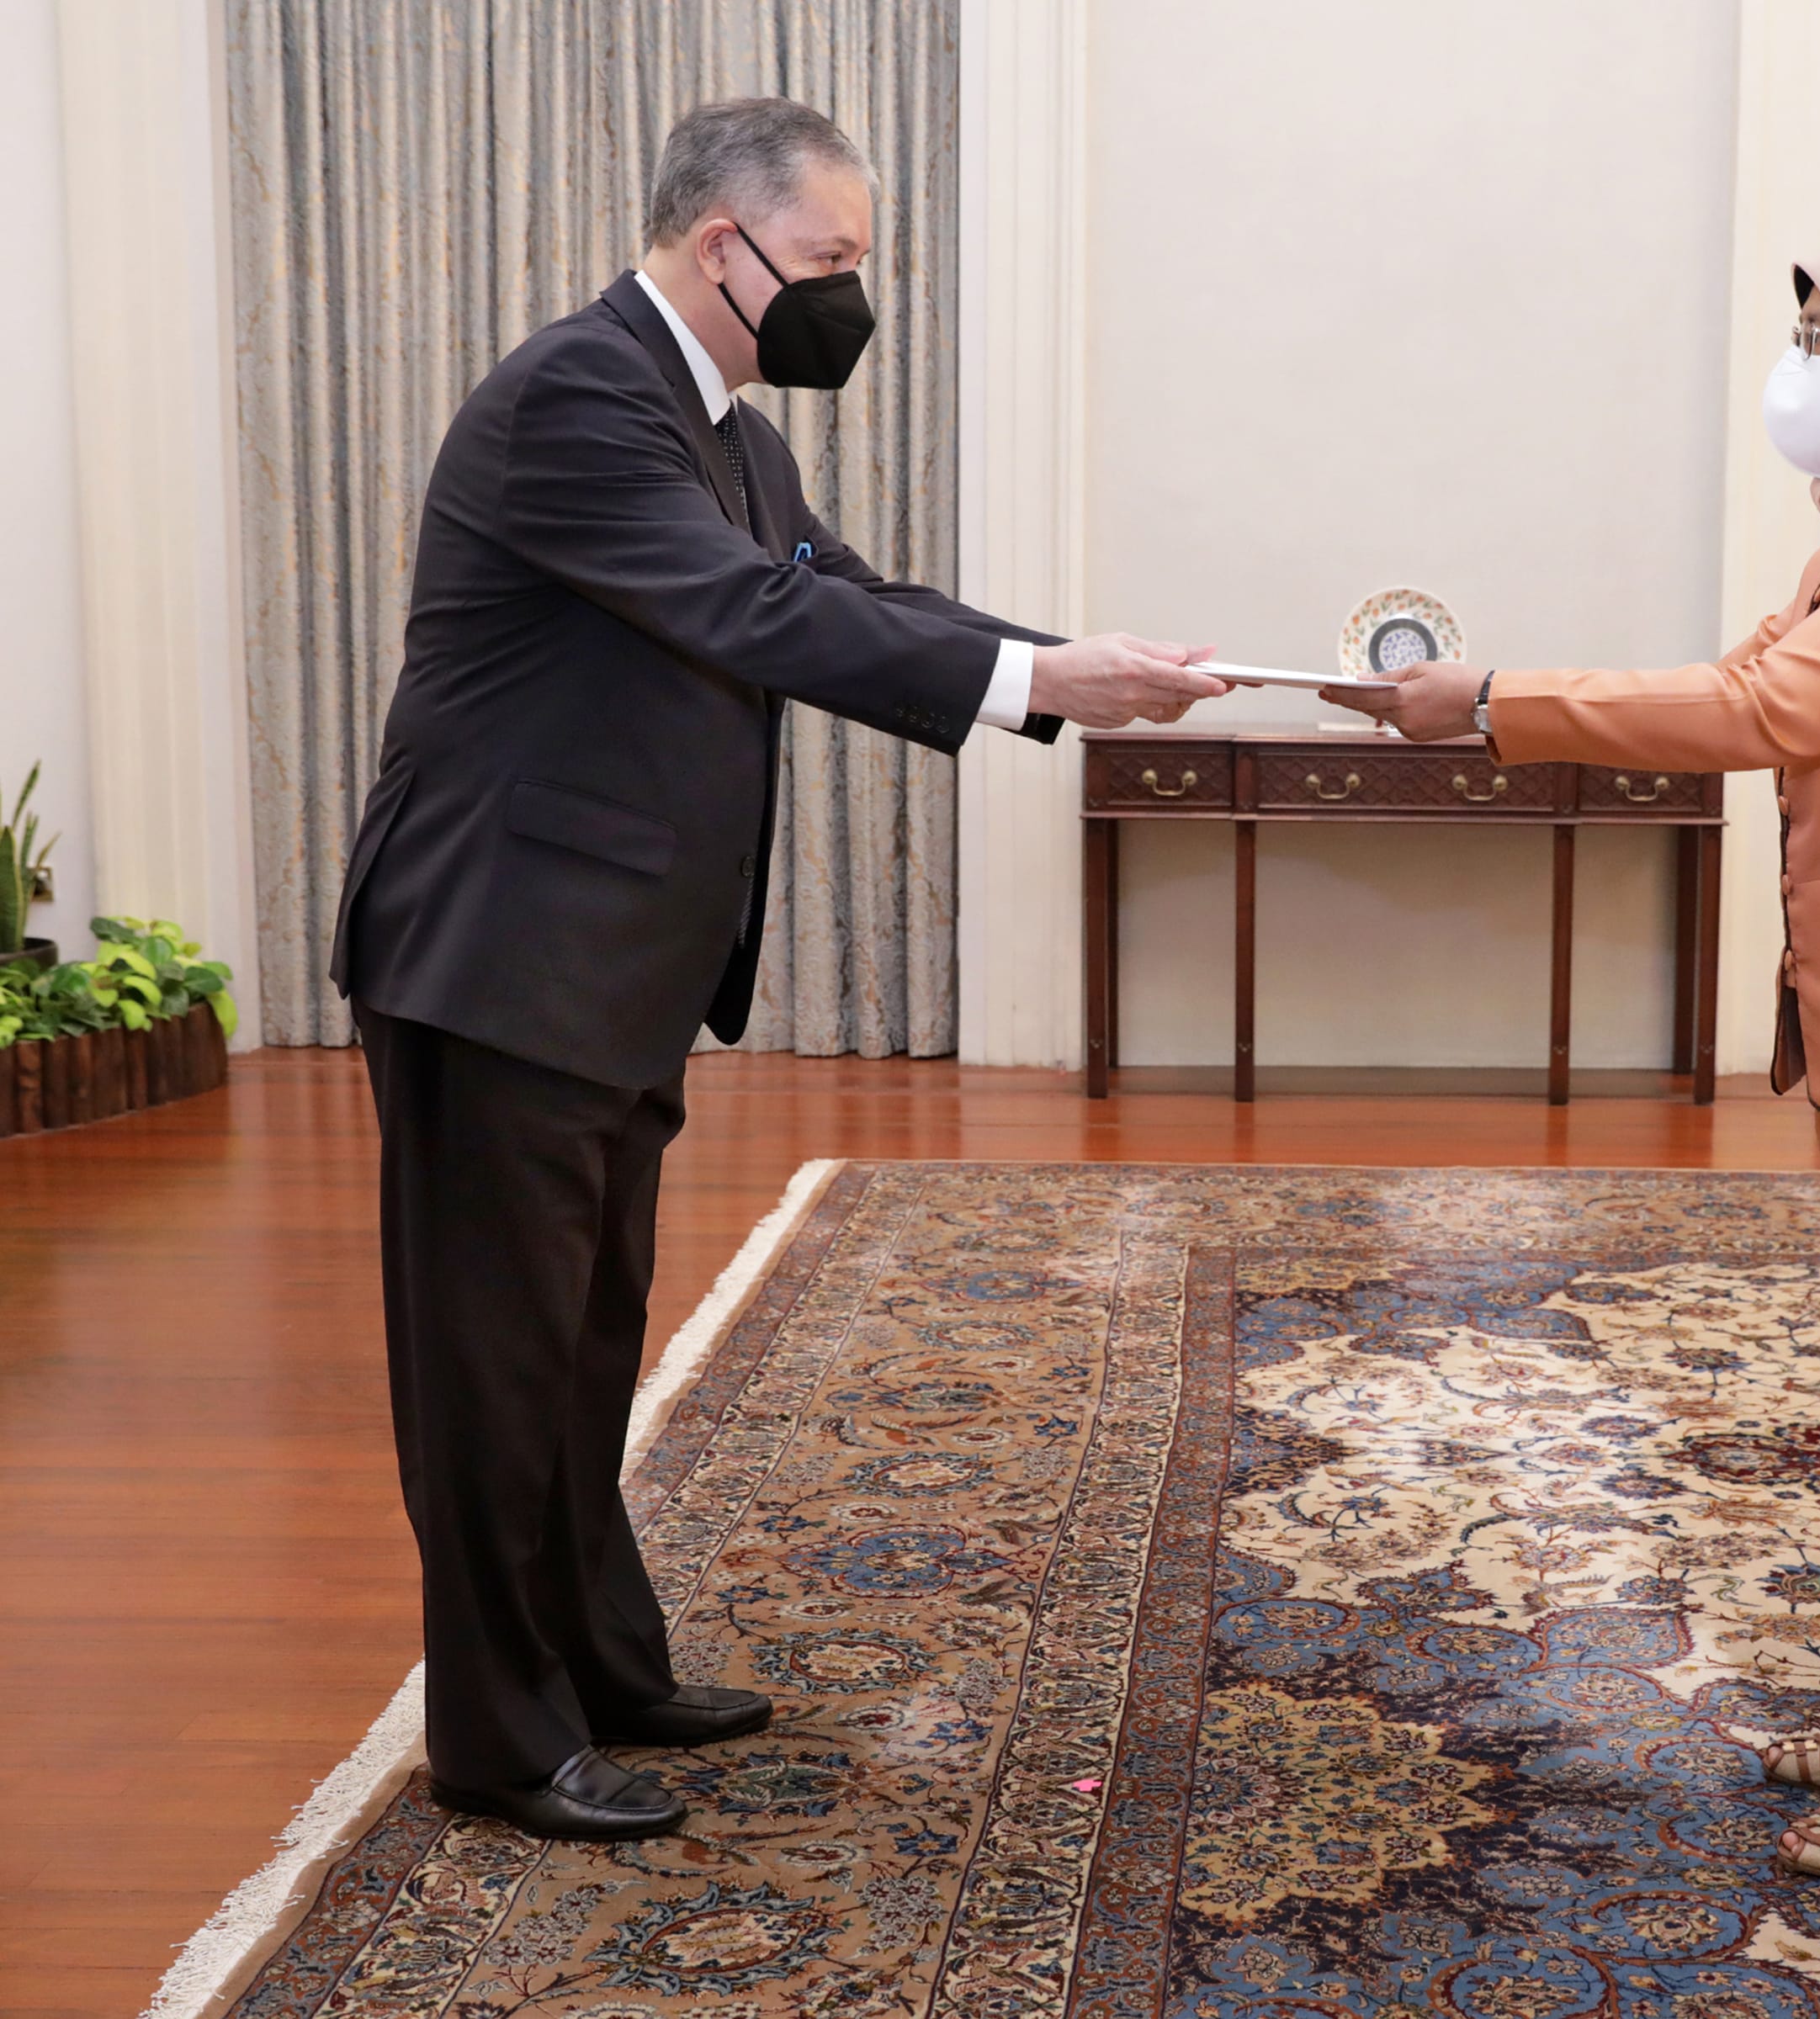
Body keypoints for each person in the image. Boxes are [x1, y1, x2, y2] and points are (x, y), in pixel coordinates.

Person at [331, 98, 1225, 1841]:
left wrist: (1062, 657)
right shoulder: (581, 395)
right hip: (496, 951)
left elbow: (834, 583)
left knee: (585, 1345)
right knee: (493, 1364)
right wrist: (1043, 690)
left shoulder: (721, 423)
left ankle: (601, 1664)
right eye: (828, 263)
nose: (846, 298)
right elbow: (755, 621)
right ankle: (500, 1742)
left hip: (608, 958)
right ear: (714, 241)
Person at [1329, 234, 1820, 1878]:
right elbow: (1763, 679)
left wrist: (1491, 701)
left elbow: (1759, 716)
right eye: (1805, 335)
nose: (1808, 366)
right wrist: (1493, 701)